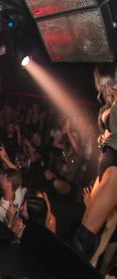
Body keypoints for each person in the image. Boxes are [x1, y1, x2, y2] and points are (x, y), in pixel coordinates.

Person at [74, 65, 117, 261]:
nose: (98, 85)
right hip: (105, 161)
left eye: (99, 80)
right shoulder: (109, 105)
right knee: (85, 227)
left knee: (84, 237)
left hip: (115, 166)